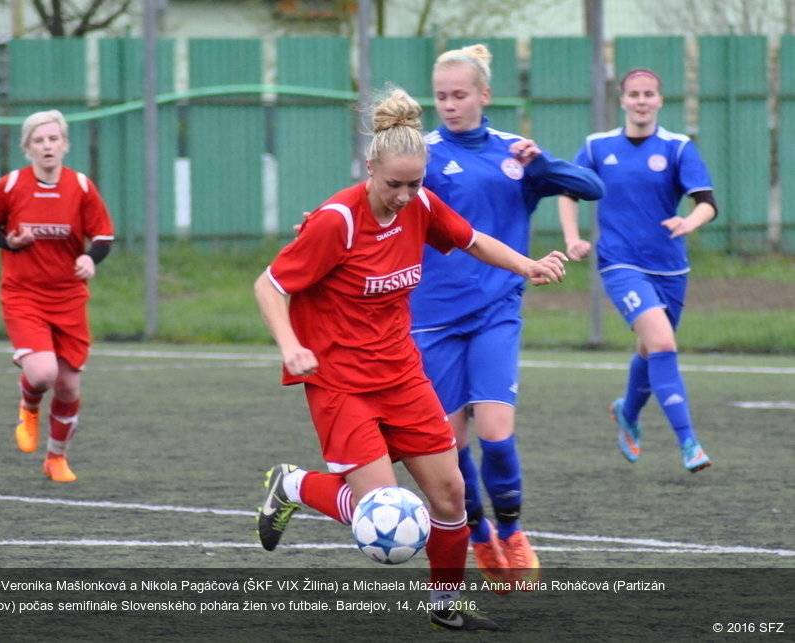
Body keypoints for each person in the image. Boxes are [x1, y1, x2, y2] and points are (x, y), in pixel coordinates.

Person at [255, 86, 568, 632]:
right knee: (381, 511)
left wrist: (527, 265)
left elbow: (472, 240)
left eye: (414, 183)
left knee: (450, 497)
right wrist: (290, 345)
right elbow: (269, 285)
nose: (404, 195)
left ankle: (444, 605)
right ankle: (293, 486)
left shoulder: (421, 205)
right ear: (370, 167)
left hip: (401, 374)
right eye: (393, 184)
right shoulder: (337, 221)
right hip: (341, 384)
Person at [409, 44, 605, 589]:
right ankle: (478, 538)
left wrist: (540, 164)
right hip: (431, 319)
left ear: (485, 95)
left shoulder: (512, 155)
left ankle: (513, 533)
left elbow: (592, 188)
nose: (448, 105)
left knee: (496, 432)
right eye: (441, 96)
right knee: (449, 449)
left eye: (460, 95)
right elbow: (375, 197)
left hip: (496, 312)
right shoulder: (421, 154)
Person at [558, 67, 716, 473]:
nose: (642, 100)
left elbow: (706, 202)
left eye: (649, 94)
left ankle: (628, 411)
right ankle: (689, 443)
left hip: (671, 268)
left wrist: (689, 222)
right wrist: (572, 238)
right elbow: (568, 192)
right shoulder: (597, 146)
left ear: (660, 100)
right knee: (662, 343)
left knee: (650, 350)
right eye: (634, 94)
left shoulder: (679, 147)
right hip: (620, 263)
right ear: (622, 100)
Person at [0, 109, 115, 482]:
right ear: (27, 148)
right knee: (42, 373)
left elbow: (103, 235)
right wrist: (11, 242)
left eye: (53, 139)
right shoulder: (10, 185)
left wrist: (89, 257)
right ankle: (29, 405)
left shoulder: (82, 187)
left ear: (65, 145)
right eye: (39, 140)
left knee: (69, 385)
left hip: (69, 297)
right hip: (23, 295)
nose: (47, 145)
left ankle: (56, 458)